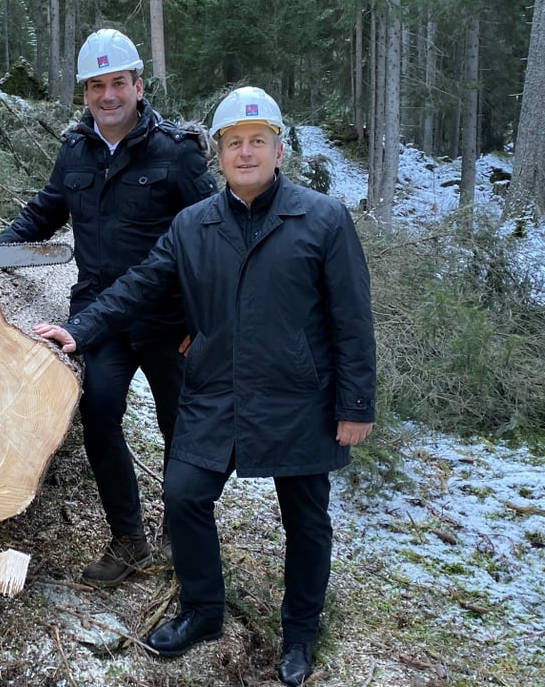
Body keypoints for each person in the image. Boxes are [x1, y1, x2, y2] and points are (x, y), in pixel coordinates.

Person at [33, 86, 376, 686]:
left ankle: (298, 634)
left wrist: (355, 405)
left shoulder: (322, 218)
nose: (246, 153)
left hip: (297, 396)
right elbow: (139, 285)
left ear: (278, 150)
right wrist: (78, 329)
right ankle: (202, 611)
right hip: (215, 389)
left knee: (307, 519)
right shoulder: (193, 225)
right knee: (186, 495)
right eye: (234, 143)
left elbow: (352, 318)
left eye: (258, 142)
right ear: (219, 153)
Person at [0, 28, 218, 587]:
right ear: (86, 92)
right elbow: (46, 210)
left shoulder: (177, 151)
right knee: (98, 417)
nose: (108, 96)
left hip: (170, 320)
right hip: (101, 318)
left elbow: (215, 233)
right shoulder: (76, 147)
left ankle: (182, 528)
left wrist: (206, 319)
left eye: (119, 83)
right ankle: (129, 539)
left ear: (139, 86)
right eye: (97, 86)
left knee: (181, 431)